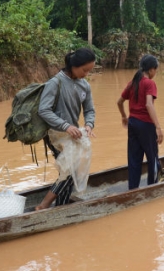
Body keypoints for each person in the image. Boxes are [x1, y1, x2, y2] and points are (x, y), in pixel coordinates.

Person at [35, 48, 96, 210]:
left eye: (89, 71)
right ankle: (43, 205)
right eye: (84, 70)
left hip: (73, 134)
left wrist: (89, 124)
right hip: (56, 135)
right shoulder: (55, 83)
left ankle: (60, 208)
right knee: (70, 173)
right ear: (74, 66)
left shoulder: (85, 86)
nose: (86, 74)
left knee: (68, 171)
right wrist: (66, 126)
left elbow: (89, 110)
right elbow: (44, 110)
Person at [117, 55, 164, 190]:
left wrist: (124, 117)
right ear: (151, 70)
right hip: (146, 125)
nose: (155, 73)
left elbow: (119, 102)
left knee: (134, 159)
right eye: (156, 70)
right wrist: (158, 127)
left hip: (133, 123)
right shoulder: (149, 83)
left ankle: (133, 189)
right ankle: (152, 189)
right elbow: (149, 105)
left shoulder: (133, 83)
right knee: (152, 158)